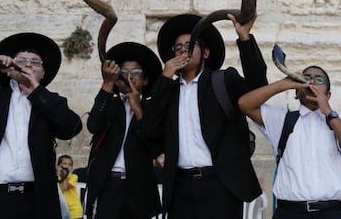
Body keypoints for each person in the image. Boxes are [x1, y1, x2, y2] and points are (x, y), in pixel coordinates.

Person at [141, 13, 268, 219]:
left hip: (220, 185)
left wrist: (245, 38)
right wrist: (165, 77)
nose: (183, 49)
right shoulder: (167, 90)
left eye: (190, 44)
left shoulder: (224, 80)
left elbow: (258, 88)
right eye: (178, 47)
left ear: (206, 52)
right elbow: (149, 129)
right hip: (180, 189)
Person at [0, 32, 83, 219]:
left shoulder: (51, 102)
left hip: (34, 200)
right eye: (21, 60)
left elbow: (72, 127)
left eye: (35, 62)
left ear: (42, 73)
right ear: (10, 68)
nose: (27, 65)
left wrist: (37, 93)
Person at [238, 65, 341, 219]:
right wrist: (283, 84)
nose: (311, 82)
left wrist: (328, 112)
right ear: (297, 92)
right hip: (289, 213)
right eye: (305, 79)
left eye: (319, 80)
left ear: (328, 95)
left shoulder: (337, 122)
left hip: (330, 213)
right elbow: (245, 104)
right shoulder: (283, 120)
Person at [85, 42, 163, 219]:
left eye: (136, 73)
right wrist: (107, 84)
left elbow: (154, 143)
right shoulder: (109, 103)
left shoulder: (152, 108)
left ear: (145, 79)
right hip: (108, 186)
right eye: (125, 72)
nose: (130, 77)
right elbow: (93, 125)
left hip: (139, 189)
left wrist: (137, 108)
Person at [57, 155, 84, 219]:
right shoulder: (56, 177)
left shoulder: (73, 177)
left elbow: (65, 187)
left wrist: (64, 174)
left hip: (74, 212)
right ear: (58, 166)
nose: (67, 166)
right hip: (62, 210)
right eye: (64, 164)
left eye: (69, 164)